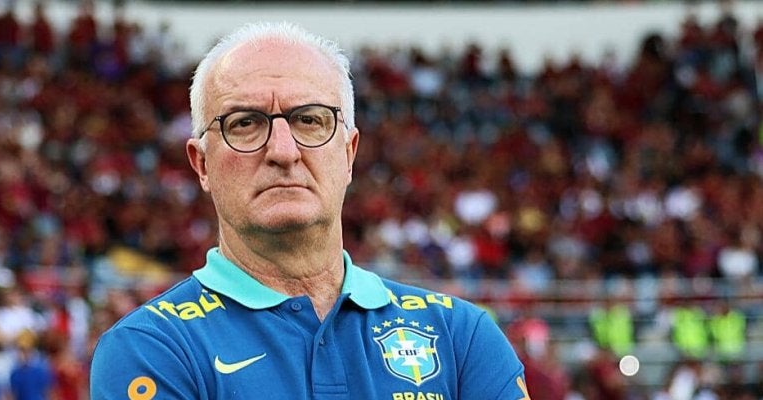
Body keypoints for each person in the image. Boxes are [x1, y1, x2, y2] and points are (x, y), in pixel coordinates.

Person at [90, 22, 527, 400]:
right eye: (245, 123)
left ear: (349, 153)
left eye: (310, 120)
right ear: (202, 164)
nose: (283, 151)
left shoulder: (460, 336)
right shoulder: (151, 348)